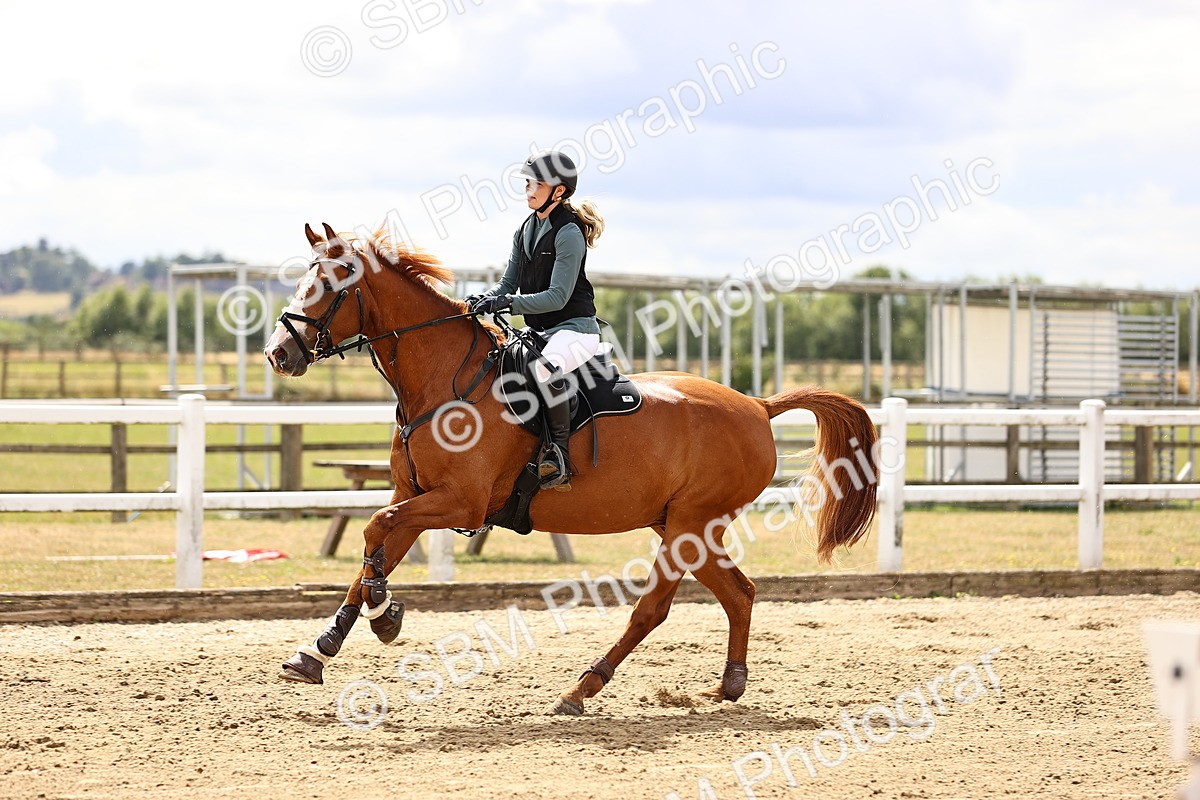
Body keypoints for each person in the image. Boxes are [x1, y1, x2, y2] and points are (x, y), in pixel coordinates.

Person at [467, 150, 605, 492]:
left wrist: (508, 302)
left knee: (545, 369)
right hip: (540, 331)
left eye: (536, 184)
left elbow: (558, 296)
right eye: (528, 182)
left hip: (575, 330)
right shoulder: (525, 229)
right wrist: (485, 298)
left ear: (558, 192)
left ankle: (558, 454)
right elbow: (507, 284)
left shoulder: (568, 232)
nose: (528, 189)